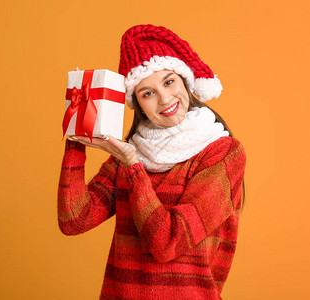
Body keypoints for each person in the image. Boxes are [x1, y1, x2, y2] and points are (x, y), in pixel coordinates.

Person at [58, 24, 246, 300]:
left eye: (169, 82)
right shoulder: (131, 152)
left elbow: (169, 242)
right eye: (147, 93)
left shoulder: (222, 154)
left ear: (185, 82)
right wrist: (77, 135)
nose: (164, 99)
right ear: (138, 103)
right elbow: (74, 219)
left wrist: (133, 167)